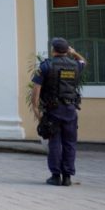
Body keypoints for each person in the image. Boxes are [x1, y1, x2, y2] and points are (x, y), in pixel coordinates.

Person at [31, 38, 86, 187]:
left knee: (55, 142)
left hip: (53, 110)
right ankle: (67, 177)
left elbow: (36, 90)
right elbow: (84, 62)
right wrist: (74, 53)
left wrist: (36, 110)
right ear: (66, 50)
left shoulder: (46, 66)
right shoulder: (75, 65)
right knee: (70, 143)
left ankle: (56, 176)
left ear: (53, 50)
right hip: (70, 110)